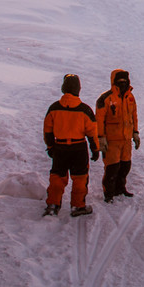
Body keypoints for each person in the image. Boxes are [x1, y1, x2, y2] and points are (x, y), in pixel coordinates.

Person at [42, 74, 99, 217]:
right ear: (78, 89)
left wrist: (50, 147)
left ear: (63, 88)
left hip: (60, 147)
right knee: (80, 178)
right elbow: (92, 132)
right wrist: (95, 149)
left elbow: (47, 130)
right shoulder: (84, 110)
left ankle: (53, 205)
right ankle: (77, 206)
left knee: (57, 176)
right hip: (78, 148)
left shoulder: (54, 108)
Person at [95, 68, 140, 202]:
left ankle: (121, 188)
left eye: (124, 80)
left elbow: (134, 116)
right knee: (112, 168)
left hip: (126, 140)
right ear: (113, 81)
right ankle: (109, 193)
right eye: (119, 80)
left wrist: (135, 133)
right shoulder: (105, 98)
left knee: (125, 166)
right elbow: (99, 120)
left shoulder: (130, 97)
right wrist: (101, 137)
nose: (122, 82)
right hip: (112, 141)